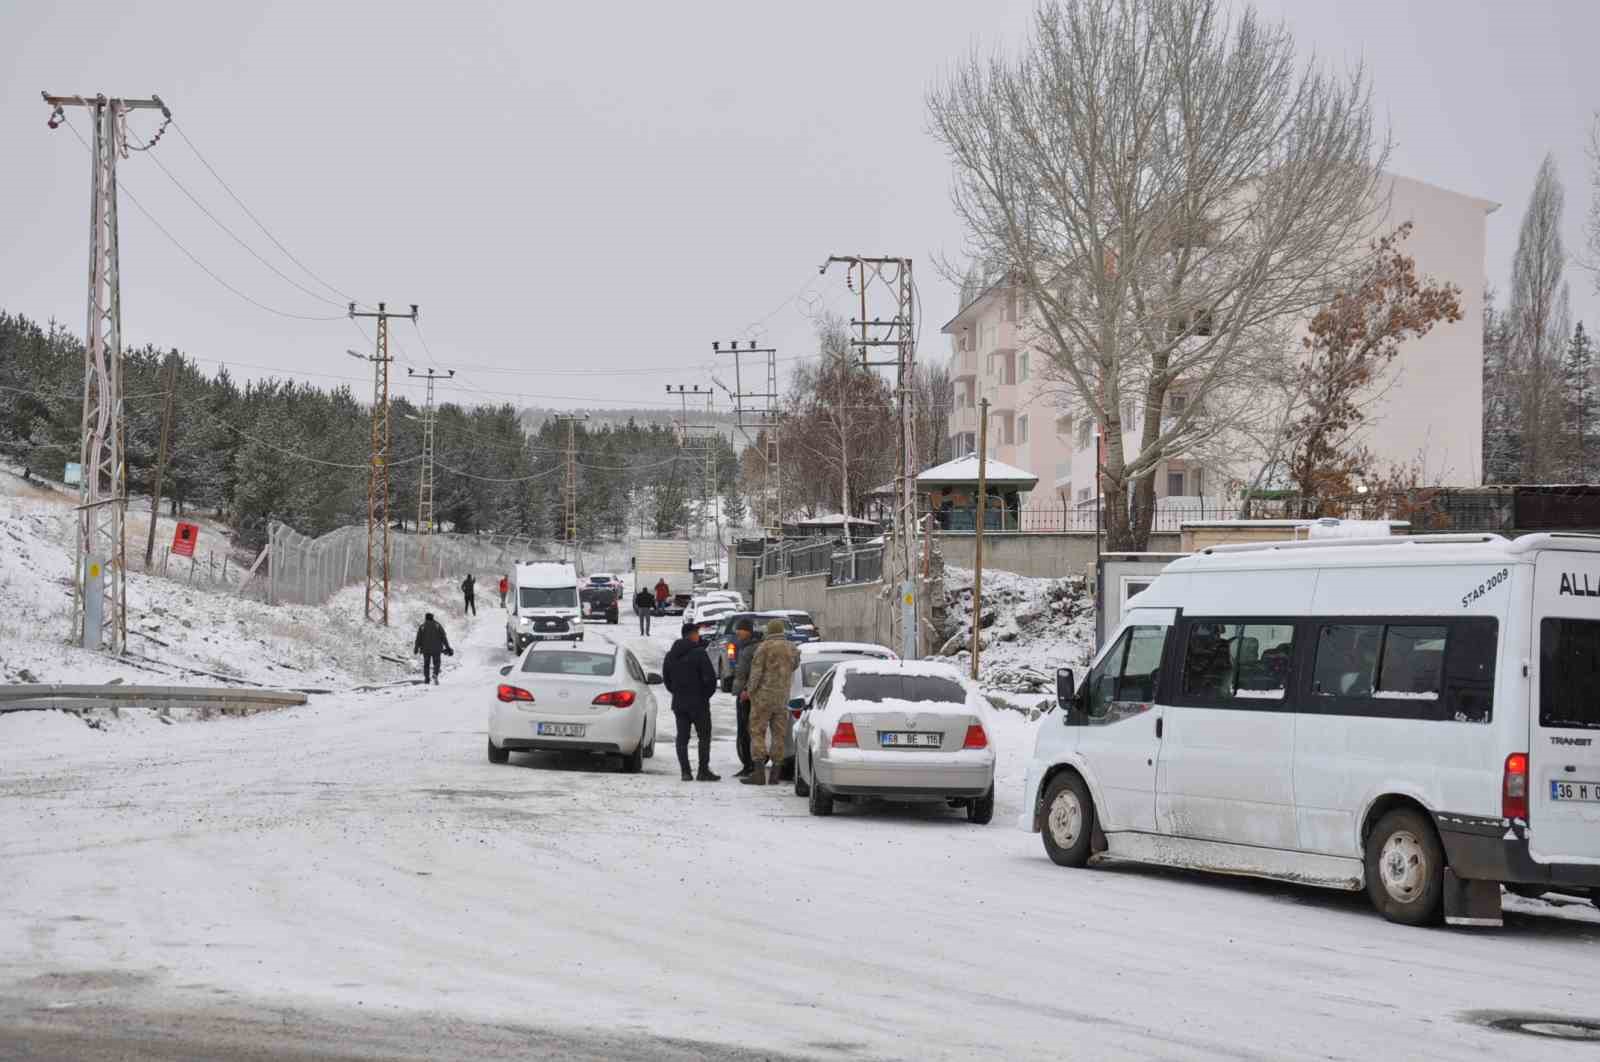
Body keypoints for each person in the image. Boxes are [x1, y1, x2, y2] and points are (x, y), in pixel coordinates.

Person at [742, 618, 800, 785]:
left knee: (757, 731)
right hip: (782, 698)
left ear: (769, 631)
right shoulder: (792, 648)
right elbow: (794, 666)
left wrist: (749, 691)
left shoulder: (763, 648)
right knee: (779, 734)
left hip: (763, 698)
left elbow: (756, 673)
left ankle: (759, 773)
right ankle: (775, 773)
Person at [662, 622, 719, 783]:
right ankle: (703, 771)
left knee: (682, 738)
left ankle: (685, 772)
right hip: (699, 703)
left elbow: (667, 680)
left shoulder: (671, 655)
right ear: (692, 635)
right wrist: (704, 696)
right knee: (704, 736)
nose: (698, 636)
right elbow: (710, 679)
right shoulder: (699, 653)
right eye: (697, 633)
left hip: (679, 703)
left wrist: (677, 692)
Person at [729, 617, 763, 778]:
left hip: (748, 695)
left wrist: (747, 690)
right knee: (743, 731)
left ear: (748, 631)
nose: (737, 632)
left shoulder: (754, 648)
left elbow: (756, 673)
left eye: (740, 629)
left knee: (747, 731)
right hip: (742, 693)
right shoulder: (744, 646)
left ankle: (750, 765)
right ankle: (747, 764)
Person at [413, 612, 453, 685]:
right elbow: (444, 637)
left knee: (426, 664)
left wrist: (416, 648)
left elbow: (418, 639)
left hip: (425, 649)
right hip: (436, 649)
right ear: (432, 617)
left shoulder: (422, 626)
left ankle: (427, 679)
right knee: (437, 663)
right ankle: (435, 674)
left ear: (426, 618)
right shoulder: (437, 625)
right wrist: (448, 647)